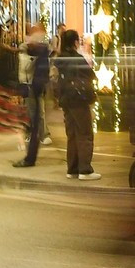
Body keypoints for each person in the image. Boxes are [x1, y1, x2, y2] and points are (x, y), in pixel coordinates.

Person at [51, 28, 99, 180]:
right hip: (78, 99)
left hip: (66, 100)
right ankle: (85, 169)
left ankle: (72, 169)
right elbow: (91, 75)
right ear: (75, 42)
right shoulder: (77, 58)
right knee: (84, 133)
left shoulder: (59, 59)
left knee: (71, 134)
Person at [12, 23, 52, 169]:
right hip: (31, 88)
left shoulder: (40, 50)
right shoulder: (31, 49)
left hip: (35, 89)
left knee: (36, 119)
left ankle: (31, 156)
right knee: (32, 120)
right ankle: (30, 154)